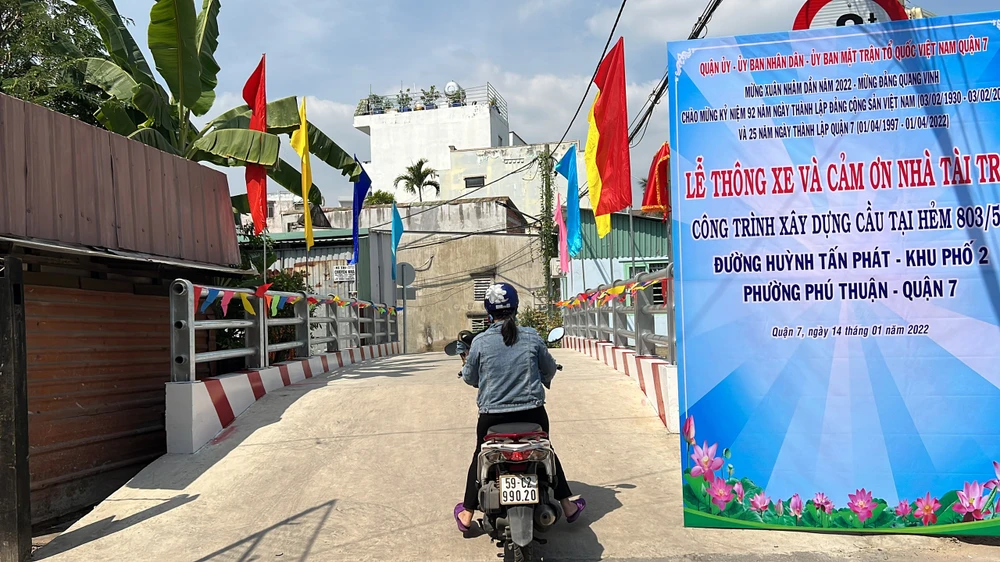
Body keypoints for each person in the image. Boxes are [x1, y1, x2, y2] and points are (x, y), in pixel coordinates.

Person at [453, 282, 585, 532]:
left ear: (489, 312)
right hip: (532, 413)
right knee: (546, 449)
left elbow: (470, 378)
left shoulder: (480, 342)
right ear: (516, 308)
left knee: (479, 455)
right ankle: (568, 506)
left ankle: (467, 514)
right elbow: (549, 369)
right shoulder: (531, 336)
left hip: (492, 417)